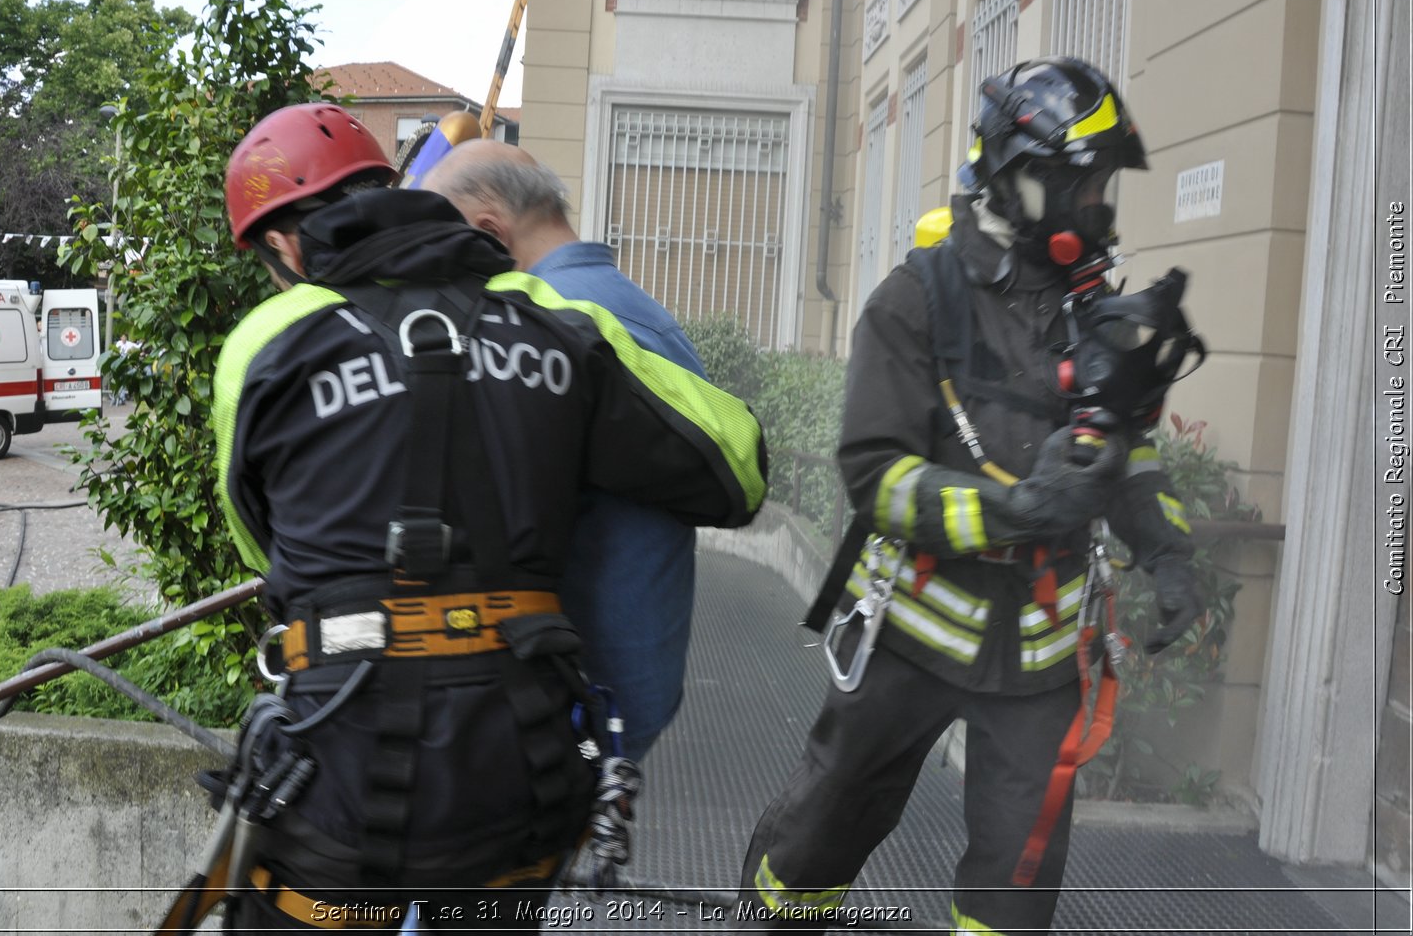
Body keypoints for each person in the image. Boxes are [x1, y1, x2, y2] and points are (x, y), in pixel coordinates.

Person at [207, 103, 767, 933]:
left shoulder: (270, 341)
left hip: (339, 771)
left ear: (285, 247)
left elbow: (267, 541)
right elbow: (737, 467)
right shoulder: (557, 322)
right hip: (520, 770)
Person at [737, 57, 1204, 934]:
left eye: (1104, 186)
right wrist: (1015, 510)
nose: (1099, 206)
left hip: (1038, 660)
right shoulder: (916, 299)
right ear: (1021, 177)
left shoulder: (1090, 307)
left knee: (1015, 880)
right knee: (822, 832)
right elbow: (877, 476)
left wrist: (1168, 550)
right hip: (914, 634)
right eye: (1087, 184)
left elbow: (1126, 454)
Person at [422, 140, 705, 762]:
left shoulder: (551, 326)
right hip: (617, 694)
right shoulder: (634, 310)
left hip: (579, 703)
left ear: (487, 231)